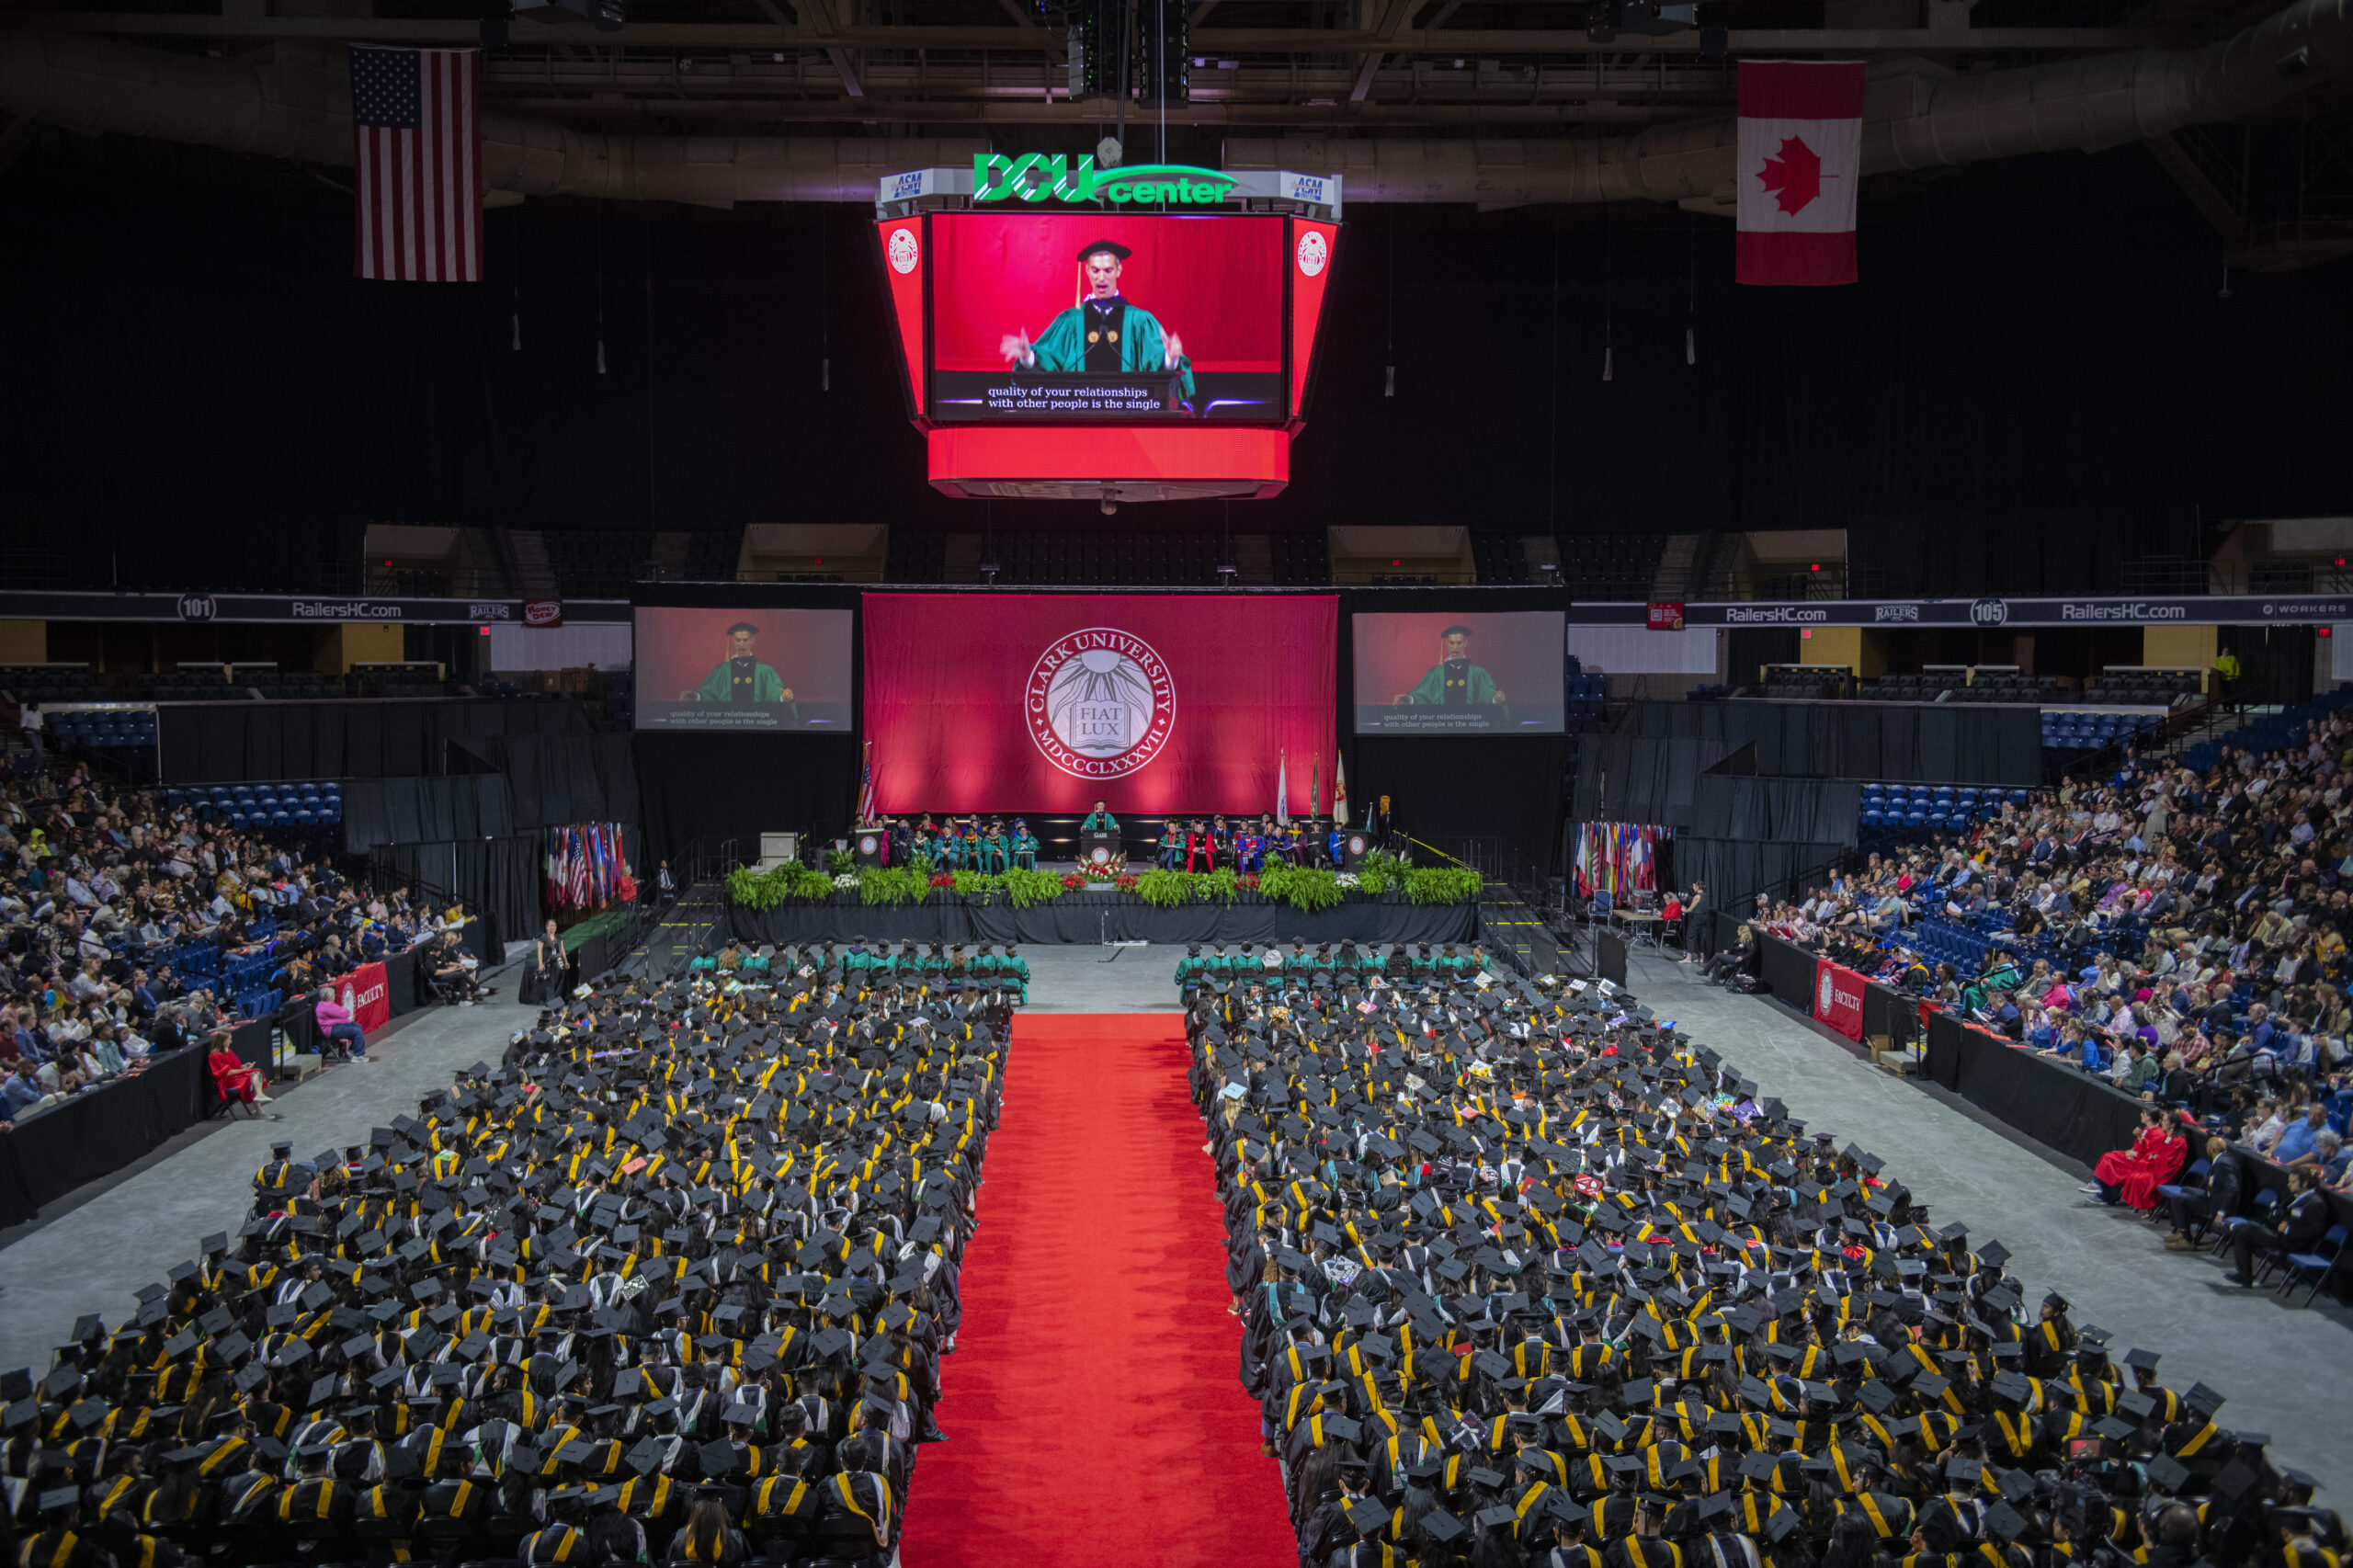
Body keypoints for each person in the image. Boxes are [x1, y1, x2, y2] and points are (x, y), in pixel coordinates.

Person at [998, 238, 1194, 404]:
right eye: (1095, 270)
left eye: (1108, 270)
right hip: (1079, 416)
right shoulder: (1070, 321)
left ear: (1119, 270)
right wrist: (1028, 357)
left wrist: (1171, 359)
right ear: (1087, 272)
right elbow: (1048, 362)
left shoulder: (1139, 321)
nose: (1101, 278)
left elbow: (1159, 368)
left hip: (1130, 415)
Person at [2225, 1164, 2329, 1284]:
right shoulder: (2298, 1197)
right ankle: (2244, 1276)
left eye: (2293, 1182)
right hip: (2280, 1235)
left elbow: (2315, 1230)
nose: (2288, 1184)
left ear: (2305, 1183)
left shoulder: (2316, 1203)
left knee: (2246, 1229)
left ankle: (2229, 1229)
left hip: (2292, 1243)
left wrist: (2288, 1230)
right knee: (2244, 1231)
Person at [2086, 1108, 2188, 1209]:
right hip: (2145, 1160)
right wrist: (2139, 1141)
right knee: (2109, 1157)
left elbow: (2160, 1156)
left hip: (2153, 1167)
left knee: (2112, 1162)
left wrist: (2144, 1154)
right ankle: (2100, 1188)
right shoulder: (2156, 1132)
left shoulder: (2166, 1137)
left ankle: (2104, 1193)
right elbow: (2148, 1149)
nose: (2163, 1123)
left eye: (2165, 1121)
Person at [688, 621, 796, 710]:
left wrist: (784, 697)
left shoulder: (765, 671)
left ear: (752, 640)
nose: (741, 645)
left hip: (756, 722)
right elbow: (708, 693)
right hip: (728, 722)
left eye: (745, 640)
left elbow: (775, 694)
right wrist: (696, 696)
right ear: (733, 641)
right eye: (738, 640)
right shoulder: (721, 670)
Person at [1393, 623, 1506, 709]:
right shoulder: (1436, 673)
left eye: (1459, 643)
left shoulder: (1477, 673)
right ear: (1447, 644)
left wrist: (1495, 699)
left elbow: (1485, 696)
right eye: (1451, 643)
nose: (1455, 648)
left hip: (1469, 723)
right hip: (1442, 723)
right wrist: (1409, 699)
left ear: (1466, 643)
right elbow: (1423, 695)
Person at [313, 983, 367, 1062]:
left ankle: (353, 1049)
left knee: (357, 1026)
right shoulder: (327, 1006)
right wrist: (343, 1010)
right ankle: (358, 1056)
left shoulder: (325, 1005)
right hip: (331, 1029)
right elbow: (345, 1013)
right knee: (356, 1031)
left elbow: (340, 1015)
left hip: (334, 1026)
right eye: (334, 995)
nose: (335, 996)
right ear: (329, 997)